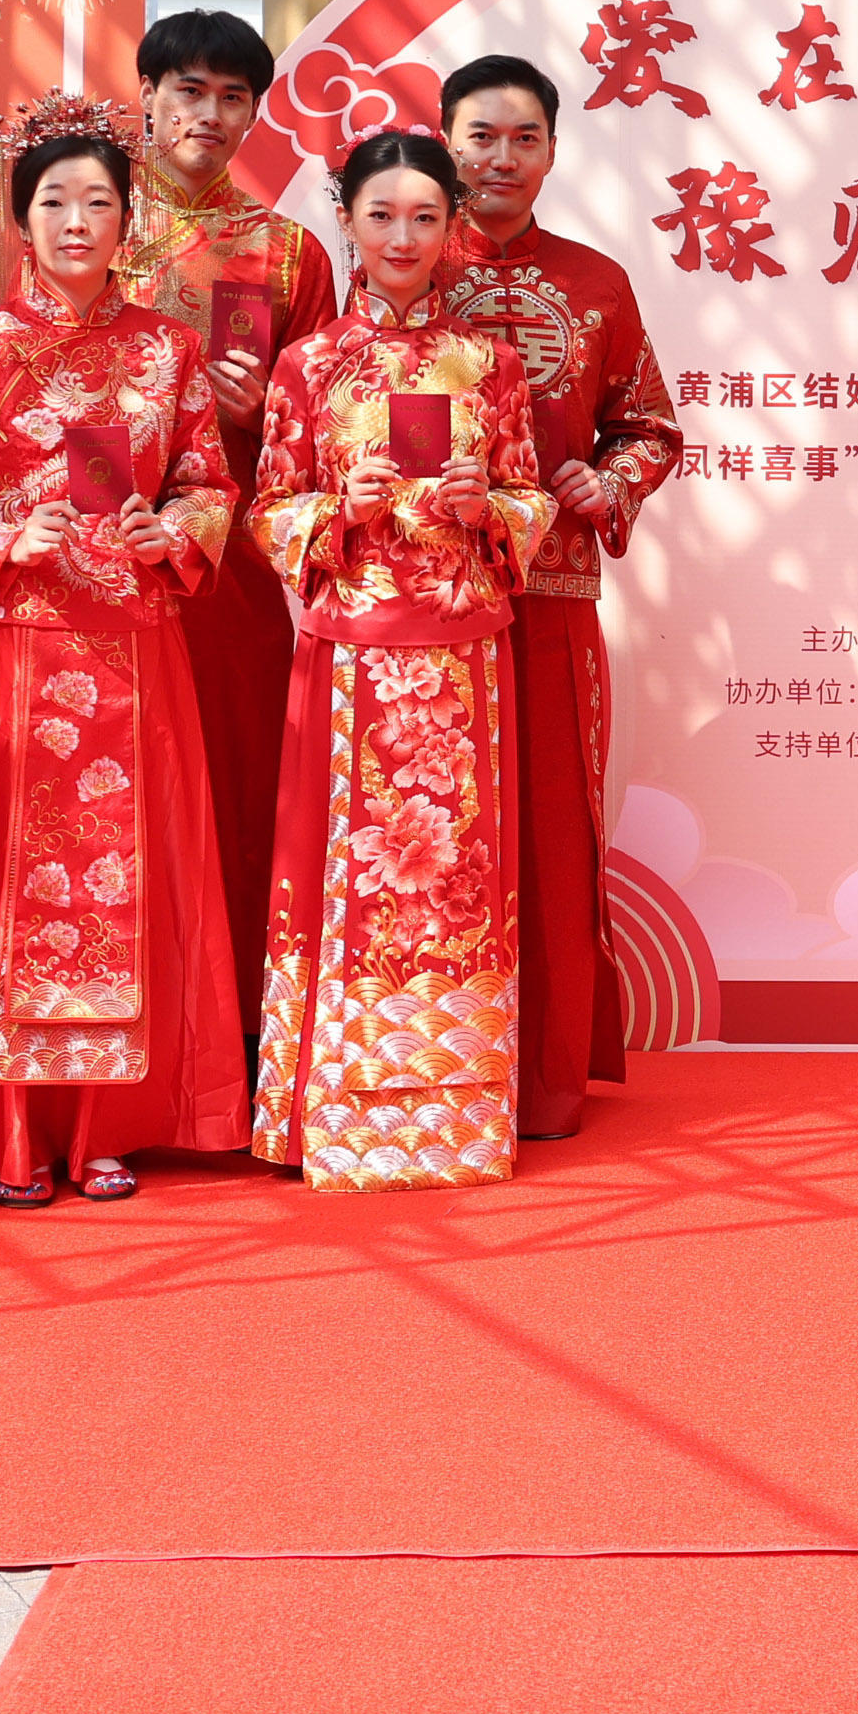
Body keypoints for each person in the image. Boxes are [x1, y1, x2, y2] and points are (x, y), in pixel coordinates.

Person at [0, 106, 247, 1201]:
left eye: (99, 200)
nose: (76, 220)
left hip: (133, 652)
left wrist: (170, 531)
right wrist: (2, 538)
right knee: (9, 885)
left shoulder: (168, 347)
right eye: (54, 199)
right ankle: (13, 1135)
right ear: (21, 220)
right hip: (9, 652)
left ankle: (110, 1125)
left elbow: (208, 479)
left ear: (127, 220)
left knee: (127, 883)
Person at [249, 130, 554, 1189]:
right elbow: (267, 510)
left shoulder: (493, 365)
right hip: (350, 662)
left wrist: (489, 508)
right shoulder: (309, 365)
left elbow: (532, 496)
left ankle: (457, 1117)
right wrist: (340, 510)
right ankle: (337, 1112)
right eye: (382, 215)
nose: (403, 236)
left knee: (460, 883)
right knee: (346, 882)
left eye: (426, 216)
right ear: (347, 219)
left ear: (451, 225)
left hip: (465, 663)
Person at [436, 54, 687, 1139]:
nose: (502, 158)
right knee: (428, 828)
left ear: (552, 151)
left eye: (524, 137)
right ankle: (428, 1067)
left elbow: (651, 427)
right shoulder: (399, 262)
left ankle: (540, 1077)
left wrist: (608, 480)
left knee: (544, 825)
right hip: (424, 600)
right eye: (481, 136)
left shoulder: (596, 283)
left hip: (550, 591)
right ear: (446, 140)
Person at [115, 9, 337, 1003]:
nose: (208, 113)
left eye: (232, 96)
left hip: (234, 573)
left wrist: (267, 412)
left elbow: (329, 422)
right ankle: (120, 1018)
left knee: (236, 778)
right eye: (189, 90)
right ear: (147, 97)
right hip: (105, 553)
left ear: (255, 113)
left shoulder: (287, 252)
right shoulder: (88, 224)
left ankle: (240, 1020)